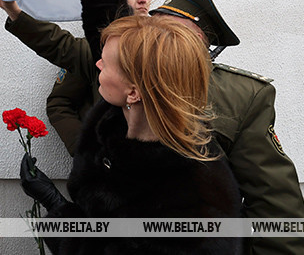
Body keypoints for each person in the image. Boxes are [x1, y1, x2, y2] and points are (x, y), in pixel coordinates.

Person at [20, 14, 242, 254]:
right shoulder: (115, 123)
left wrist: (55, 207)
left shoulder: (194, 201)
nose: (98, 64)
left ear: (134, 93)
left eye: (106, 63)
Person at [151, 0, 304, 254]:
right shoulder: (116, 74)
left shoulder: (242, 95)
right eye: (156, 27)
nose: (157, 39)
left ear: (198, 41)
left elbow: (273, 204)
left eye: (172, 31)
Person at [42, 0, 156, 154]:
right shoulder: (95, 49)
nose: (143, 0)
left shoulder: (160, 47)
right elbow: (60, 103)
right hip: (106, 162)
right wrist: (84, 149)